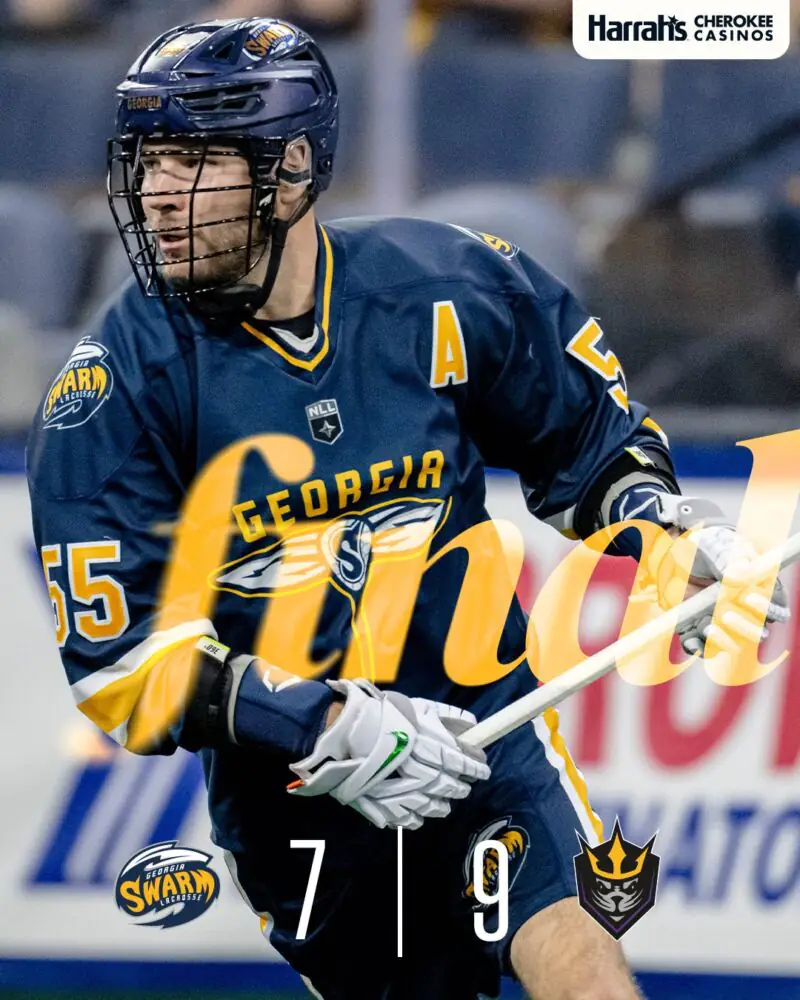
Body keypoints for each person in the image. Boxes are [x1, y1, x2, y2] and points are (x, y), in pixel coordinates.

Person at [27, 18, 788, 1000]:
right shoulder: (113, 389)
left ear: (290, 169)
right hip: (299, 792)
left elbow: (586, 445)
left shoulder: (448, 286)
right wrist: (323, 721)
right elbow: (123, 667)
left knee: (586, 971)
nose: (156, 194)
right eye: (147, 161)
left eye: (193, 162)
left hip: (488, 725)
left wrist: (667, 534)